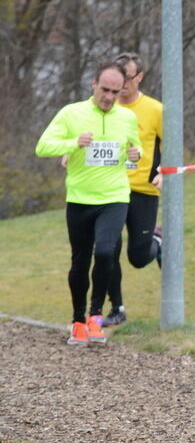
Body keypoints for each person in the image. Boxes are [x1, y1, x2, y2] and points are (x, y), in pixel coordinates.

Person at [35, 61, 141, 345]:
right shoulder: (71, 113)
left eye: (115, 92)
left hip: (115, 196)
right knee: (80, 261)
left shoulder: (126, 118)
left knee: (106, 252)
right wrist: (73, 142)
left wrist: (136, 154)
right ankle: (77, 320)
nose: (109, 97)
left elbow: (135, 149)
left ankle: (95, 317)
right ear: (93, 84)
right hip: (80, 198)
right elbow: (43, 146)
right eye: (104, 89)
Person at [101, 52, 164, 327]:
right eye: (119, 75)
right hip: (110, 189)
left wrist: (164, 172)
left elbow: (172, 144)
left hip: (143, 190)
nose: (123, 83)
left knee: (138, 257)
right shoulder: (105, 109)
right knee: (108, 249)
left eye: (128, 77)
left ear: (140, 77)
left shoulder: (155, 110)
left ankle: (158, 242)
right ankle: (117, 307)